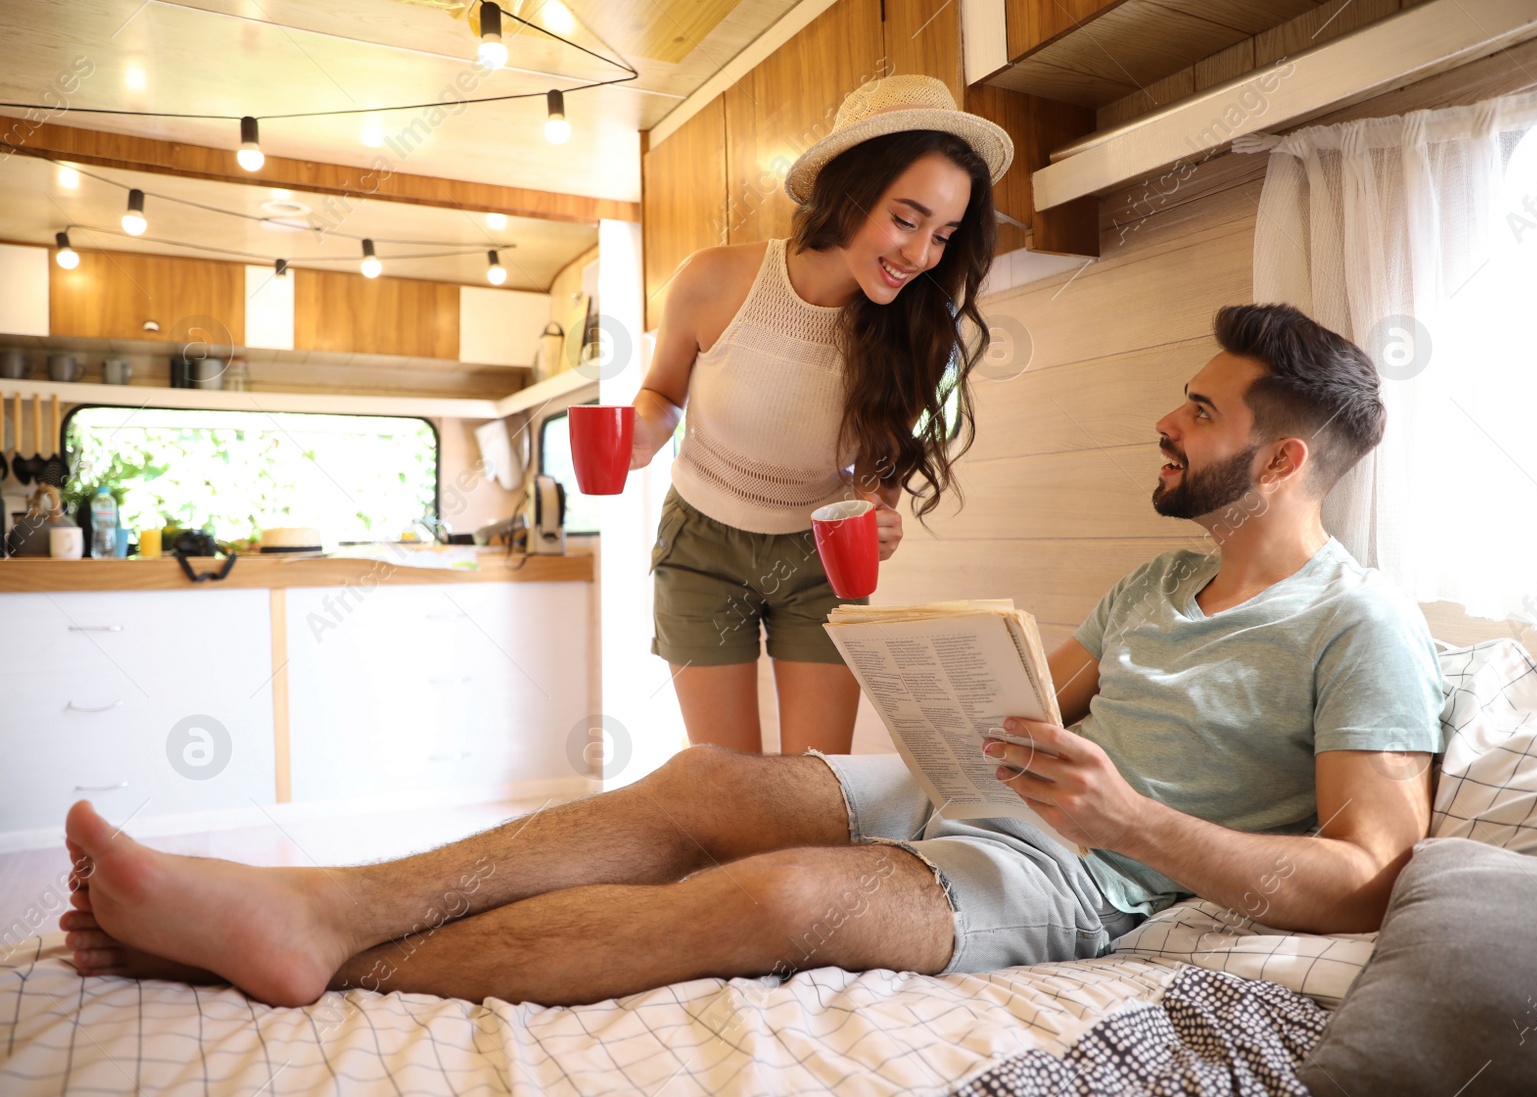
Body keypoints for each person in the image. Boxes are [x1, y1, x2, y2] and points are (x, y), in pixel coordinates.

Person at [58, 304, 1444, 1009]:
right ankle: (323, 903)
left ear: (1275, 457)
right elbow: (1036, 698)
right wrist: (927, 673)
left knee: (783, 896)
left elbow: (1366, 875)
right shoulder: (1157, 580)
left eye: (1196, 411)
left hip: (1080, 867)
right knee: (707, 781)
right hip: (987, 797)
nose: (1166, 418)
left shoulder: (1358, 624)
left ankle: (312, 953)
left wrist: (1131, 816)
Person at [628, 75, 1010, 755]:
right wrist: (638, 436)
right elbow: (663, 397)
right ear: (851, 190)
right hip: (700, 546)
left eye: (944, 235)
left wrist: (875, 510)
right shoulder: (713, 280)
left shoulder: (916, 326)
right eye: (907, 219)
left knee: (817, 779)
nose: (922, 255)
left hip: (818, 558)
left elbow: (880, 459)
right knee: (725, 780)